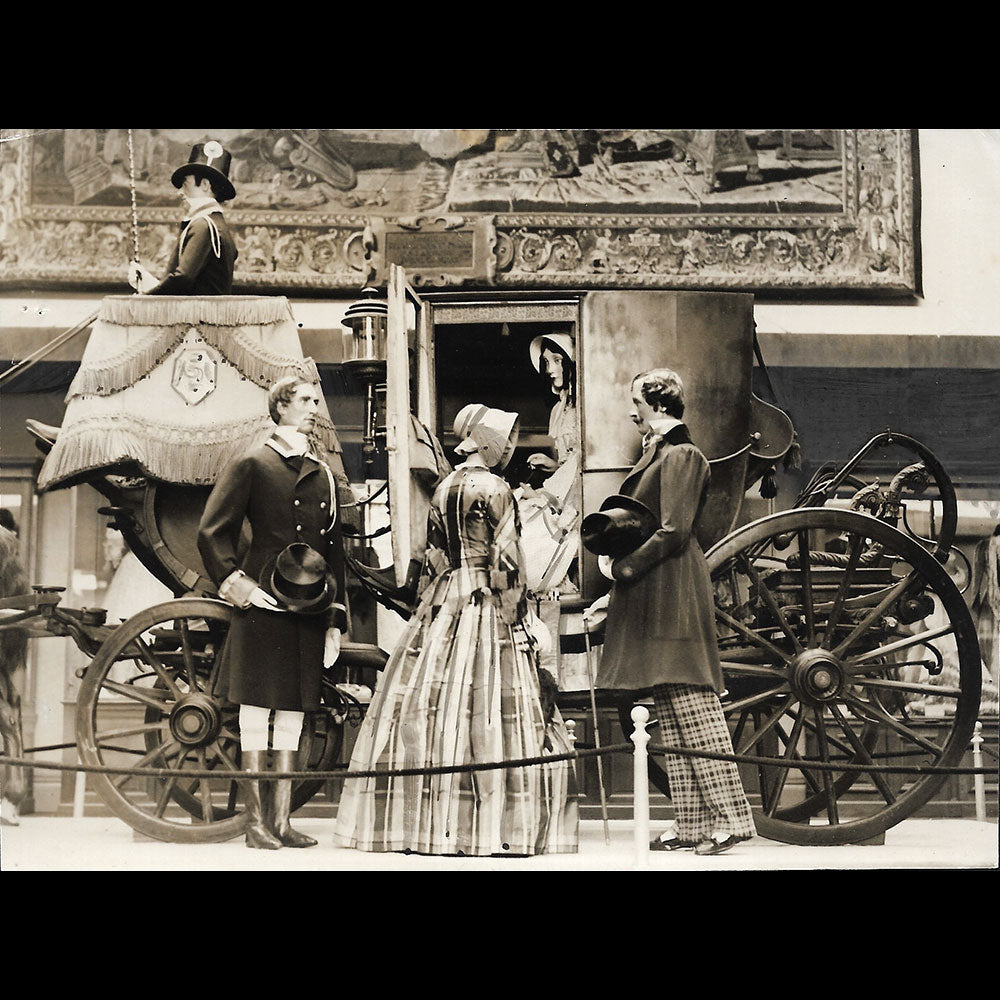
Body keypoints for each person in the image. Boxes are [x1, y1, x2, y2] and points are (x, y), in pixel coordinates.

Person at [334, 403, 579, 857]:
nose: (508, 448)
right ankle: (490, 827)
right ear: (489, 443)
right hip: (487, 597)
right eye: (504, 440)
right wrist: (519, 618)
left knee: (431, 709)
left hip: (447, 597)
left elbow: (434, 559)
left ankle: (429, 827)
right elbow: (506, 563)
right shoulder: (496, 489)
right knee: (491, 711)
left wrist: (428, 610)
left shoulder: (444, 487)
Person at [584, 368, 756, 856]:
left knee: (693, 705)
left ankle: (730, 820)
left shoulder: (681, 454)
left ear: (658, 404)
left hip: (671, 586)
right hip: (659, 587)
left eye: (635, 400)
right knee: (669, 706)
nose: (630, 409)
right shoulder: (662, 452)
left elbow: (675, 530)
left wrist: (624, 569)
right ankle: (693, 823)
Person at [198, 375, 347, 850]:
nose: (312, 407)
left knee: (294, 713)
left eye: (313, 400)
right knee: (256, 709)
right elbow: (212, 531)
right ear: (279, 407)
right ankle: (255, 823)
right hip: (264, 601)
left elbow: (333, 550)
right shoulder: (253, 463)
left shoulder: (321, 472)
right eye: (304, 400)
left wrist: (335, 619)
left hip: (310, 606)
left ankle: (280, 822)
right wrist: (238, 585)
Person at [128, 140, 238, 295]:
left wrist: (147, 297)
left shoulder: (204, 225)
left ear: (205, 185)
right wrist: (147, 282)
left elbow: (182, 279)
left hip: (199, 317)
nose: (179, 192)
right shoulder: (216, 223)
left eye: (185, 185)